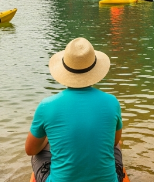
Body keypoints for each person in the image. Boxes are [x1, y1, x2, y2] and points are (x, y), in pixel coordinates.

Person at [25, 38, 124, 182]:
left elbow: (30, 150)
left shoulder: (46, 106)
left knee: (39, 152)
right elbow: (114, 142)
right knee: (117, 146)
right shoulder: (112, 102)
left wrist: (47, 139)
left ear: (65, 69)